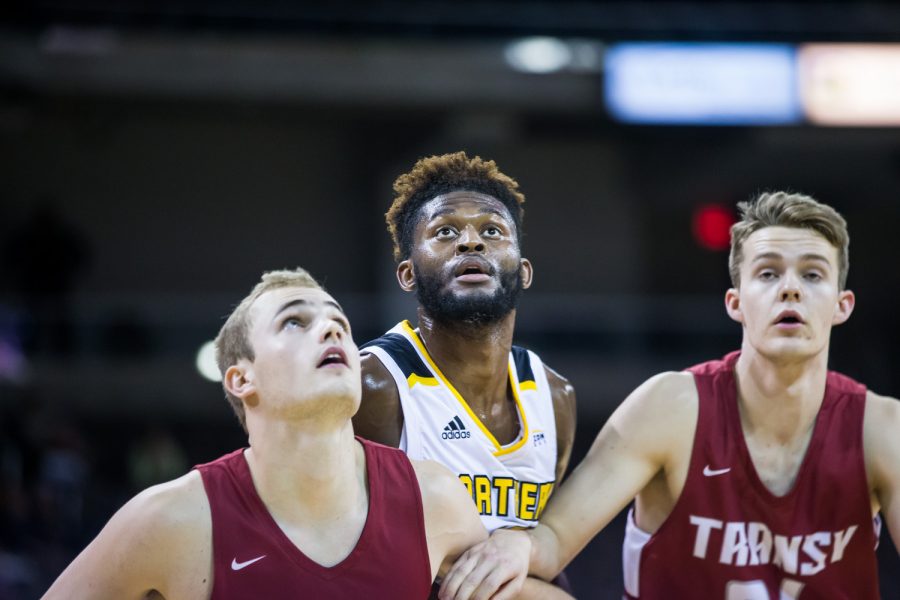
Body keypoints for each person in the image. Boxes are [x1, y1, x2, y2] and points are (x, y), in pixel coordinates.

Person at [441, 192, 900, 599]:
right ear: (735, 302)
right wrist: (518, 545)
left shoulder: (882, 429)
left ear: (842, 306)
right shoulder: (672, 407)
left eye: (813, 275)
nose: (791, 289)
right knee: (510, 587)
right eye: (768, 273)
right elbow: (554, 540)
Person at [42, 268, 487, 599]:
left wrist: (528, 546)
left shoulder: (434, 497)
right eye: (294, 321)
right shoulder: (173, 517)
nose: (331, 328)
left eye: (341, 324)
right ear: (240, 379)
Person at [352, 152, 576, 597]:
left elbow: (543, 558)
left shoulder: (555, 396)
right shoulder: (373, 386)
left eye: (492, 231)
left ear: (524, 271)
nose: (471, 242)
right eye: (445, 232)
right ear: (408, 274)